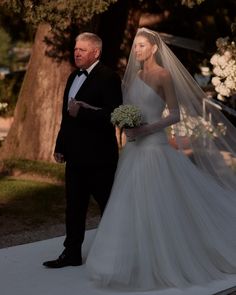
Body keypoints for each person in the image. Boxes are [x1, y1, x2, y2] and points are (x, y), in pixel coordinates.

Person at [85, 28, 236, 292]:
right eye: (135, 46)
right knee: (130, 205)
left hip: (155, 148)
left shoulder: (163, 75)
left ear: (154, 49)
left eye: (142, 45)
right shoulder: (132, 78)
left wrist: (146, 129)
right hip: (133, 151)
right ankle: (128, 261)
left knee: (159, 205)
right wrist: (121, 123)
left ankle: (167, 260)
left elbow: (175, 114)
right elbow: (122, 110)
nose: (137, 50)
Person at [43, 32, 122, 268]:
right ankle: (71, 254)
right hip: (75, 156)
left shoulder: (109, 77)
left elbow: (114, 114)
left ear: (95, 52)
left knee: (109, 206)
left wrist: (84, 112)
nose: (76, 53)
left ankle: (121, 254)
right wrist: (60, 146)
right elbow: (65, 116)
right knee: (74, 207)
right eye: (76, 49)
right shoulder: (72, 76)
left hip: (100, 157)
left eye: (82, 50)